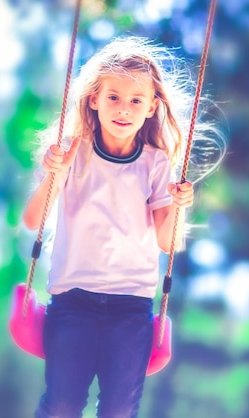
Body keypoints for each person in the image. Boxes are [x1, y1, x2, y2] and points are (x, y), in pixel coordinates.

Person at [22, 35, 221, 418]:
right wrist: (53, 173)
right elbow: (34, 219)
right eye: (113, 97)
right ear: (94, 99)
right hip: (72, 300)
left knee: (118, 409)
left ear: (151, 107)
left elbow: (168, 243)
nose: (123, 109)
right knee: (62, 404)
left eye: (135, 100)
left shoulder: (156, 163)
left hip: (131, 307)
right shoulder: (72, 151)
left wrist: (179, 207)